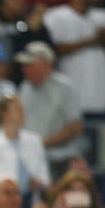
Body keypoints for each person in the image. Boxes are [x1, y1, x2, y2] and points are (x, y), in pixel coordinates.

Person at [16, 41, 83, 179]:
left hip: (60, 159)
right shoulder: (24, 88)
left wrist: (43, 143)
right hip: (31, 158)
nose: (25, 69)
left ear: (46, 64)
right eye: (24, 65)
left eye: (30, 65)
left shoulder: (65, 88)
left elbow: (75, 127)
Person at [42, 0, 105, 114]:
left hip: (101, 100)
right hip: (71, 102)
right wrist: (92, 41)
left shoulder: (102, 16)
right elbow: (54, 51)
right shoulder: (55, 16)